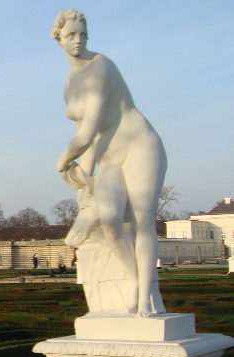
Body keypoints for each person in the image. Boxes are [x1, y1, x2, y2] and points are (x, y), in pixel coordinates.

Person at [53, 9, 166, 317]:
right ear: (58, 38)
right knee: (111, 219)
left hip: (140, 146)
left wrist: (63, 161)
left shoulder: (100, 66)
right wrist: (85, 180)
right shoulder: (69, 86)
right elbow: (86, 137)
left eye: (82, 35)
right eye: (71, 35)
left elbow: (89, 130)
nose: (78, 41)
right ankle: (133, 278)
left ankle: (145, 296)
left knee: (143, 222)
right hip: (110, 159)